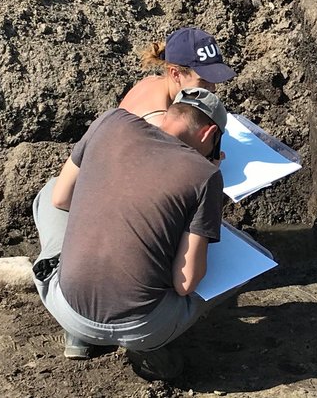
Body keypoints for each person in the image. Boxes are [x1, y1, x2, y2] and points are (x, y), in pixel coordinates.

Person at [32, 87, 232, 380]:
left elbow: (62, 198)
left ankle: (79, 337)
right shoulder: (205, 176)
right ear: (208, 134)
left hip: (68, 309)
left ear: (169, 113)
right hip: (143, 328)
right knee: (243, 263)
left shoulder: (111, 121)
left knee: (50, 190)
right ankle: (153, 350)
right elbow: (185, 282)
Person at [119, 26, 236, 127]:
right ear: (176, 74)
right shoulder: (159, 124)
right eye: (203, 80)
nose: (213, 88)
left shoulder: (151, 82)